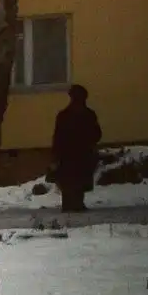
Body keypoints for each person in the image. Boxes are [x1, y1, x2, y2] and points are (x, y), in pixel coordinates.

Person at [51, 84, 102, 212]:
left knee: (70, 179)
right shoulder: (88, 114)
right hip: (80, 152)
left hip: (70, 153)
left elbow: (58, 137)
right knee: (78, 178)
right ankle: (76, 203)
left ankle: (70, 204)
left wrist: (56, 154)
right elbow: (97, 133)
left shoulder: (65, 115)